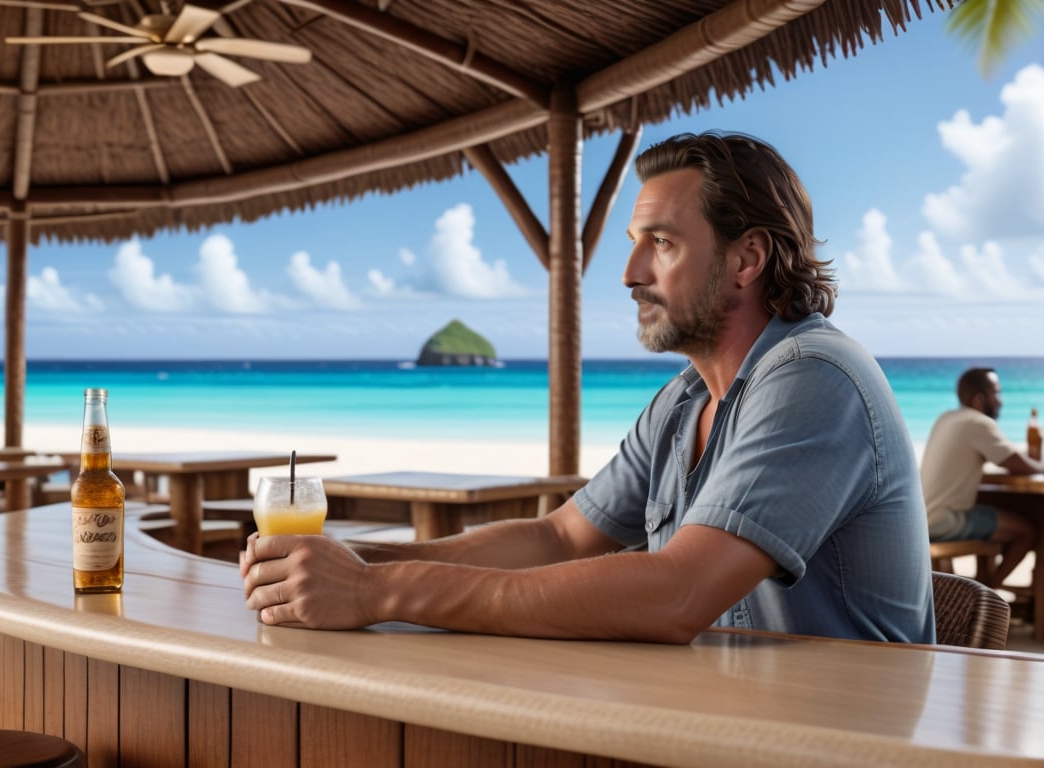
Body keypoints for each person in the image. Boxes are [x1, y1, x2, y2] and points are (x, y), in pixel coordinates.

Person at [241, 131, 936, 644]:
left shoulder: (813, 377)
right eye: (635, 241)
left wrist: (374, 590)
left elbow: (678, 594)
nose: (630, 272)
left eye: (660, 243)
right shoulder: (685, 402)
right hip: (733, 723)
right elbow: (558, 538)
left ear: (746, 259)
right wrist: (347, 562)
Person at [921, 367, 1041, 587]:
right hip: (943, 520)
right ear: (980, 399)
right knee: (1028, 531)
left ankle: (987, 590)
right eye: (997, 393)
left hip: (921, 519)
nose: (1001, 401)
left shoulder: (946, 418)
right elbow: (1020, 465)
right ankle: (987, 595)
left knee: (992, 517)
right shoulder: (978, 422)